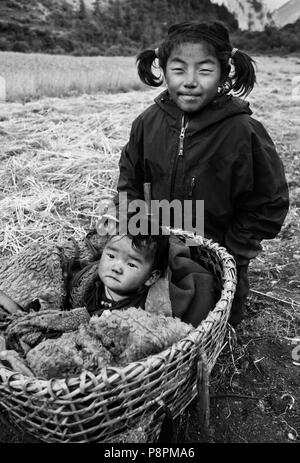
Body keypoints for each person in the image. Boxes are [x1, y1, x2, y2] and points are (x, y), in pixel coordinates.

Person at [114, 20, 289, 326]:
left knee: (214, 331)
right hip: (157, 253)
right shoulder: (147, 123)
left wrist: (232, 252)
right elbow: (130, 180)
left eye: (205, 71)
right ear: (164, 69)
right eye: (179, 70)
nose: (190, 82)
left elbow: (269, 202)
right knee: (154, 329)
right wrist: (135, 230)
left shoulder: (242, 132)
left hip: (218, 259)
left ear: (224, 73)